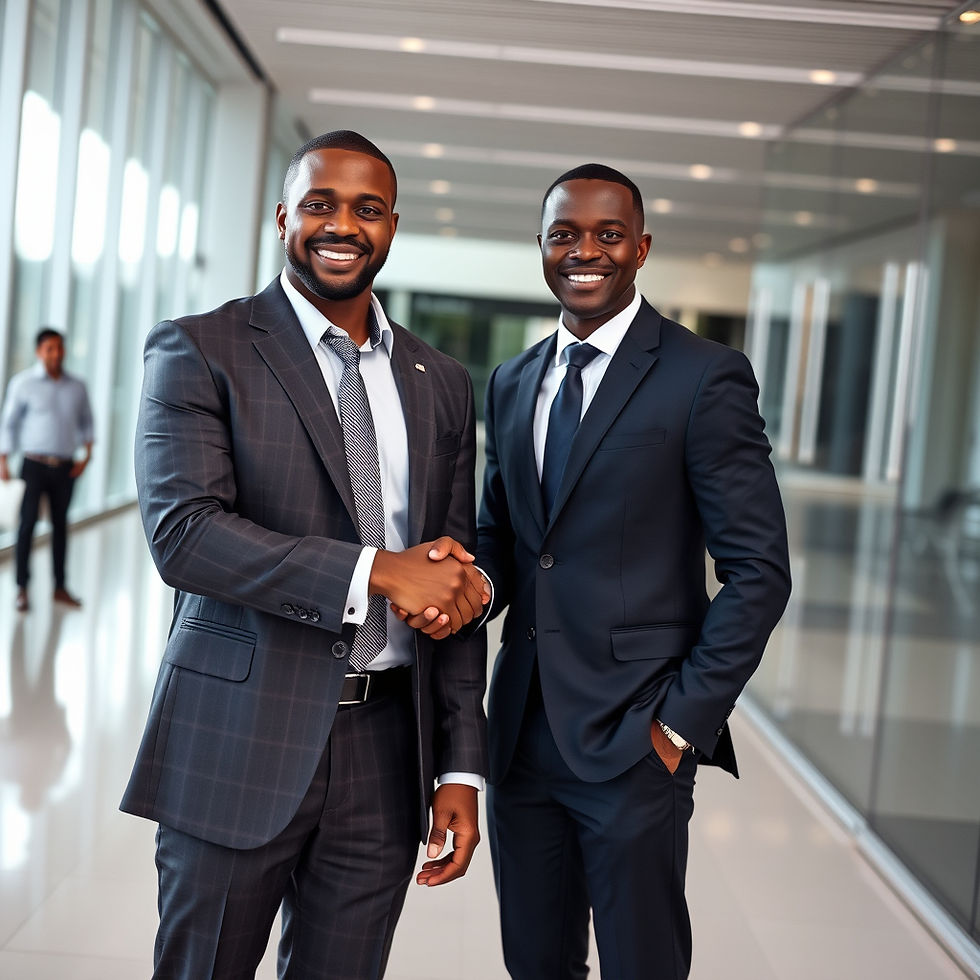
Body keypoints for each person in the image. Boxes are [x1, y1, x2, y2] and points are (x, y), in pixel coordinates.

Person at [121, 130, 490, 980]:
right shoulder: (200, 348)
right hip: (238, 738)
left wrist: (461, 765)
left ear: (392, 227)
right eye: (320, 203)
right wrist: (375, 570)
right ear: (285, 216)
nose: (342, 225)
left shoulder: (440, 380)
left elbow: (454, 578)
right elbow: (186, 535)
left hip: (388, 753)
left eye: (367, 209)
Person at [408, 164, 791, 979]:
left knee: (639, 965)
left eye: (607, 234)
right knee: (535, 963)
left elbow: (760, 571)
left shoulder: (703, 377)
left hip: (635, 737)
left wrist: (679, 726)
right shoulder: (512, 382)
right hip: (522, 735)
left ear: (641, 247)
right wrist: (463, 589)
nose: (585, 251)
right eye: (564, 235)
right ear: (541, 250)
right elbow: (508, 538)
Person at [0, 328, 93, 613]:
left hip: (65, 467)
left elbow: (86, 422)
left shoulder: (77, 386)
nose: (56, 354)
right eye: (50, 349)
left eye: (60, 348)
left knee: (60, 526)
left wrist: (86, 455)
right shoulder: (23, 383)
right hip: (33, 466)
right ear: (39, 352)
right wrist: (3, 459)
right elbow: (10, 422)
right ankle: (22, 589)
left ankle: (60, 587)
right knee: (27, 525)